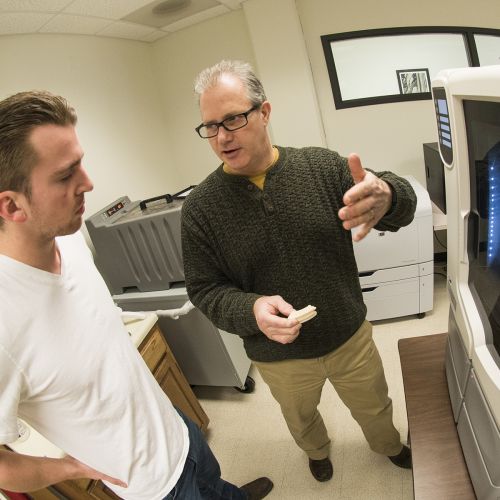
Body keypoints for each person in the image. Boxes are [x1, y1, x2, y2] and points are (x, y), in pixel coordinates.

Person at [0, 90, 273, 500]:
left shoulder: (69, 241)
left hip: (175, 429)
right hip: (155, 487)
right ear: (12, 205)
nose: (88, 183)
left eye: (81, 164)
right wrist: (68, 467)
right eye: (65, 175)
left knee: (216, 485)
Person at [181, 60, 417, 483]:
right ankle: (316, 451)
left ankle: (389, 445)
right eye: (210, 126)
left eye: (233, 118)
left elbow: (395, 202)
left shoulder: (321, 168)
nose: (222, 136)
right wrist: (250, 310)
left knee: (374, 404)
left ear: (265, 112)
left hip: (347, 334)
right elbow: (203, 288)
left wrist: (389, 194)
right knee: (300, 417)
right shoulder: (201, 208)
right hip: (277, 355)